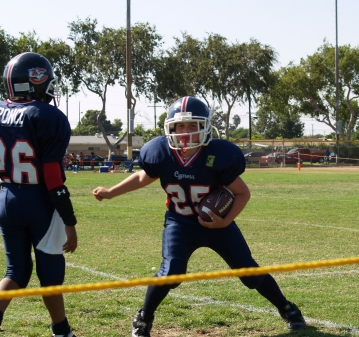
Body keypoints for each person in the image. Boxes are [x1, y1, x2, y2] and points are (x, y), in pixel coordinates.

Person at [92, 96, 306, 337]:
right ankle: (144, 317)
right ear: (170, 128)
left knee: (248, 271)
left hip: (218, 225)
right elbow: (144, 177)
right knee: (170, 271)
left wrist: (225, 221)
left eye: (192, 125)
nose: (185, 132)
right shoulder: (160, 152)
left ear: (204, 127)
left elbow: (242, 193)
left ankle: (288, 309)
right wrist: (111, 192)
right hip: (180, 222)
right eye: (180, 126)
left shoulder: (218, 155)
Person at [0, 52, 78, 337]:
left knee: (15, 272)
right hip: (39, 202)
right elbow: (52, 175)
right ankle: (62, 331)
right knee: (51, 275)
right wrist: (70, 220)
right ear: (35, 80)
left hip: (6, 196)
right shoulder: (48, 116)